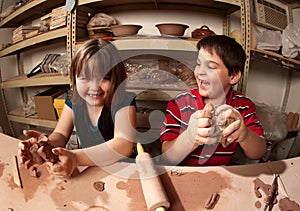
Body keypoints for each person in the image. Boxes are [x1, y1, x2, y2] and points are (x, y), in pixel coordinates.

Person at [18, 39, 137, 177]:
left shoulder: (123, 101)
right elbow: (61, 134)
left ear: (117, 79)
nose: (94, 87)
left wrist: (75, 158)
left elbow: (123, 145)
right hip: (89, 168)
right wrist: (46, 146)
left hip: (122, 171)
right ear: (74, 78)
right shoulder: (74, 99)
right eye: (85, 78)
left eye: (104, 78)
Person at [160, 35, 266, 166]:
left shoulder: (243, 106)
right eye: (198, 64)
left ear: (233, 76)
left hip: (220, 176)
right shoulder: (179, 104)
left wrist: (244, 134)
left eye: (210, 67)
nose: (199, 72)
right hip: (182, 174)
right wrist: (189, 138)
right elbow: (167, 157)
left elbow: (258, 153)